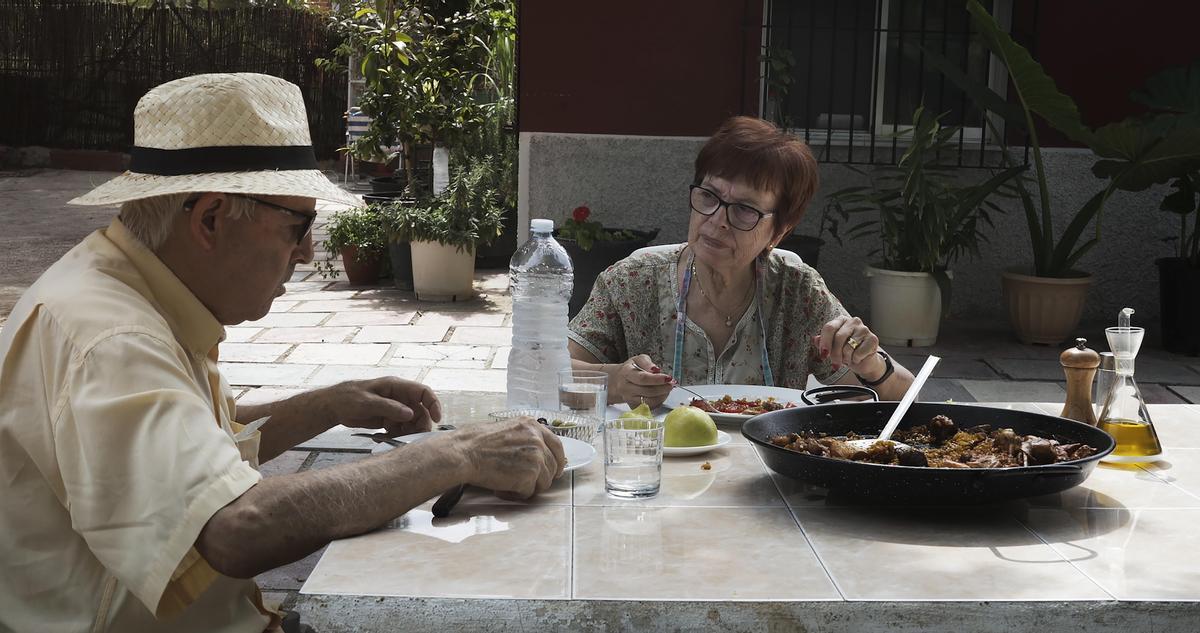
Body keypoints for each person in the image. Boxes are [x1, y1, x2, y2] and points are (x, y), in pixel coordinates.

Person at [0, 73, 564, 633]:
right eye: (300, 225)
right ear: (211, 218)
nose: (308, 252)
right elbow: (236, 527)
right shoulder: (114, 338)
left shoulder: (131, 286)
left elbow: (191, 449)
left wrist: (327, 405)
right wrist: (457, 454)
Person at [567, 116, 915, 407]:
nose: (717, 219)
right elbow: (545, 372)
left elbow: (902, 399)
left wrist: (871, 364)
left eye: (745, 210)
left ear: (779, 231)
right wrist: (615, 381)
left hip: (765, 472)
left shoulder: (797, 290)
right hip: (657, 469)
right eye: (709, 196)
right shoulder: (632, 280)